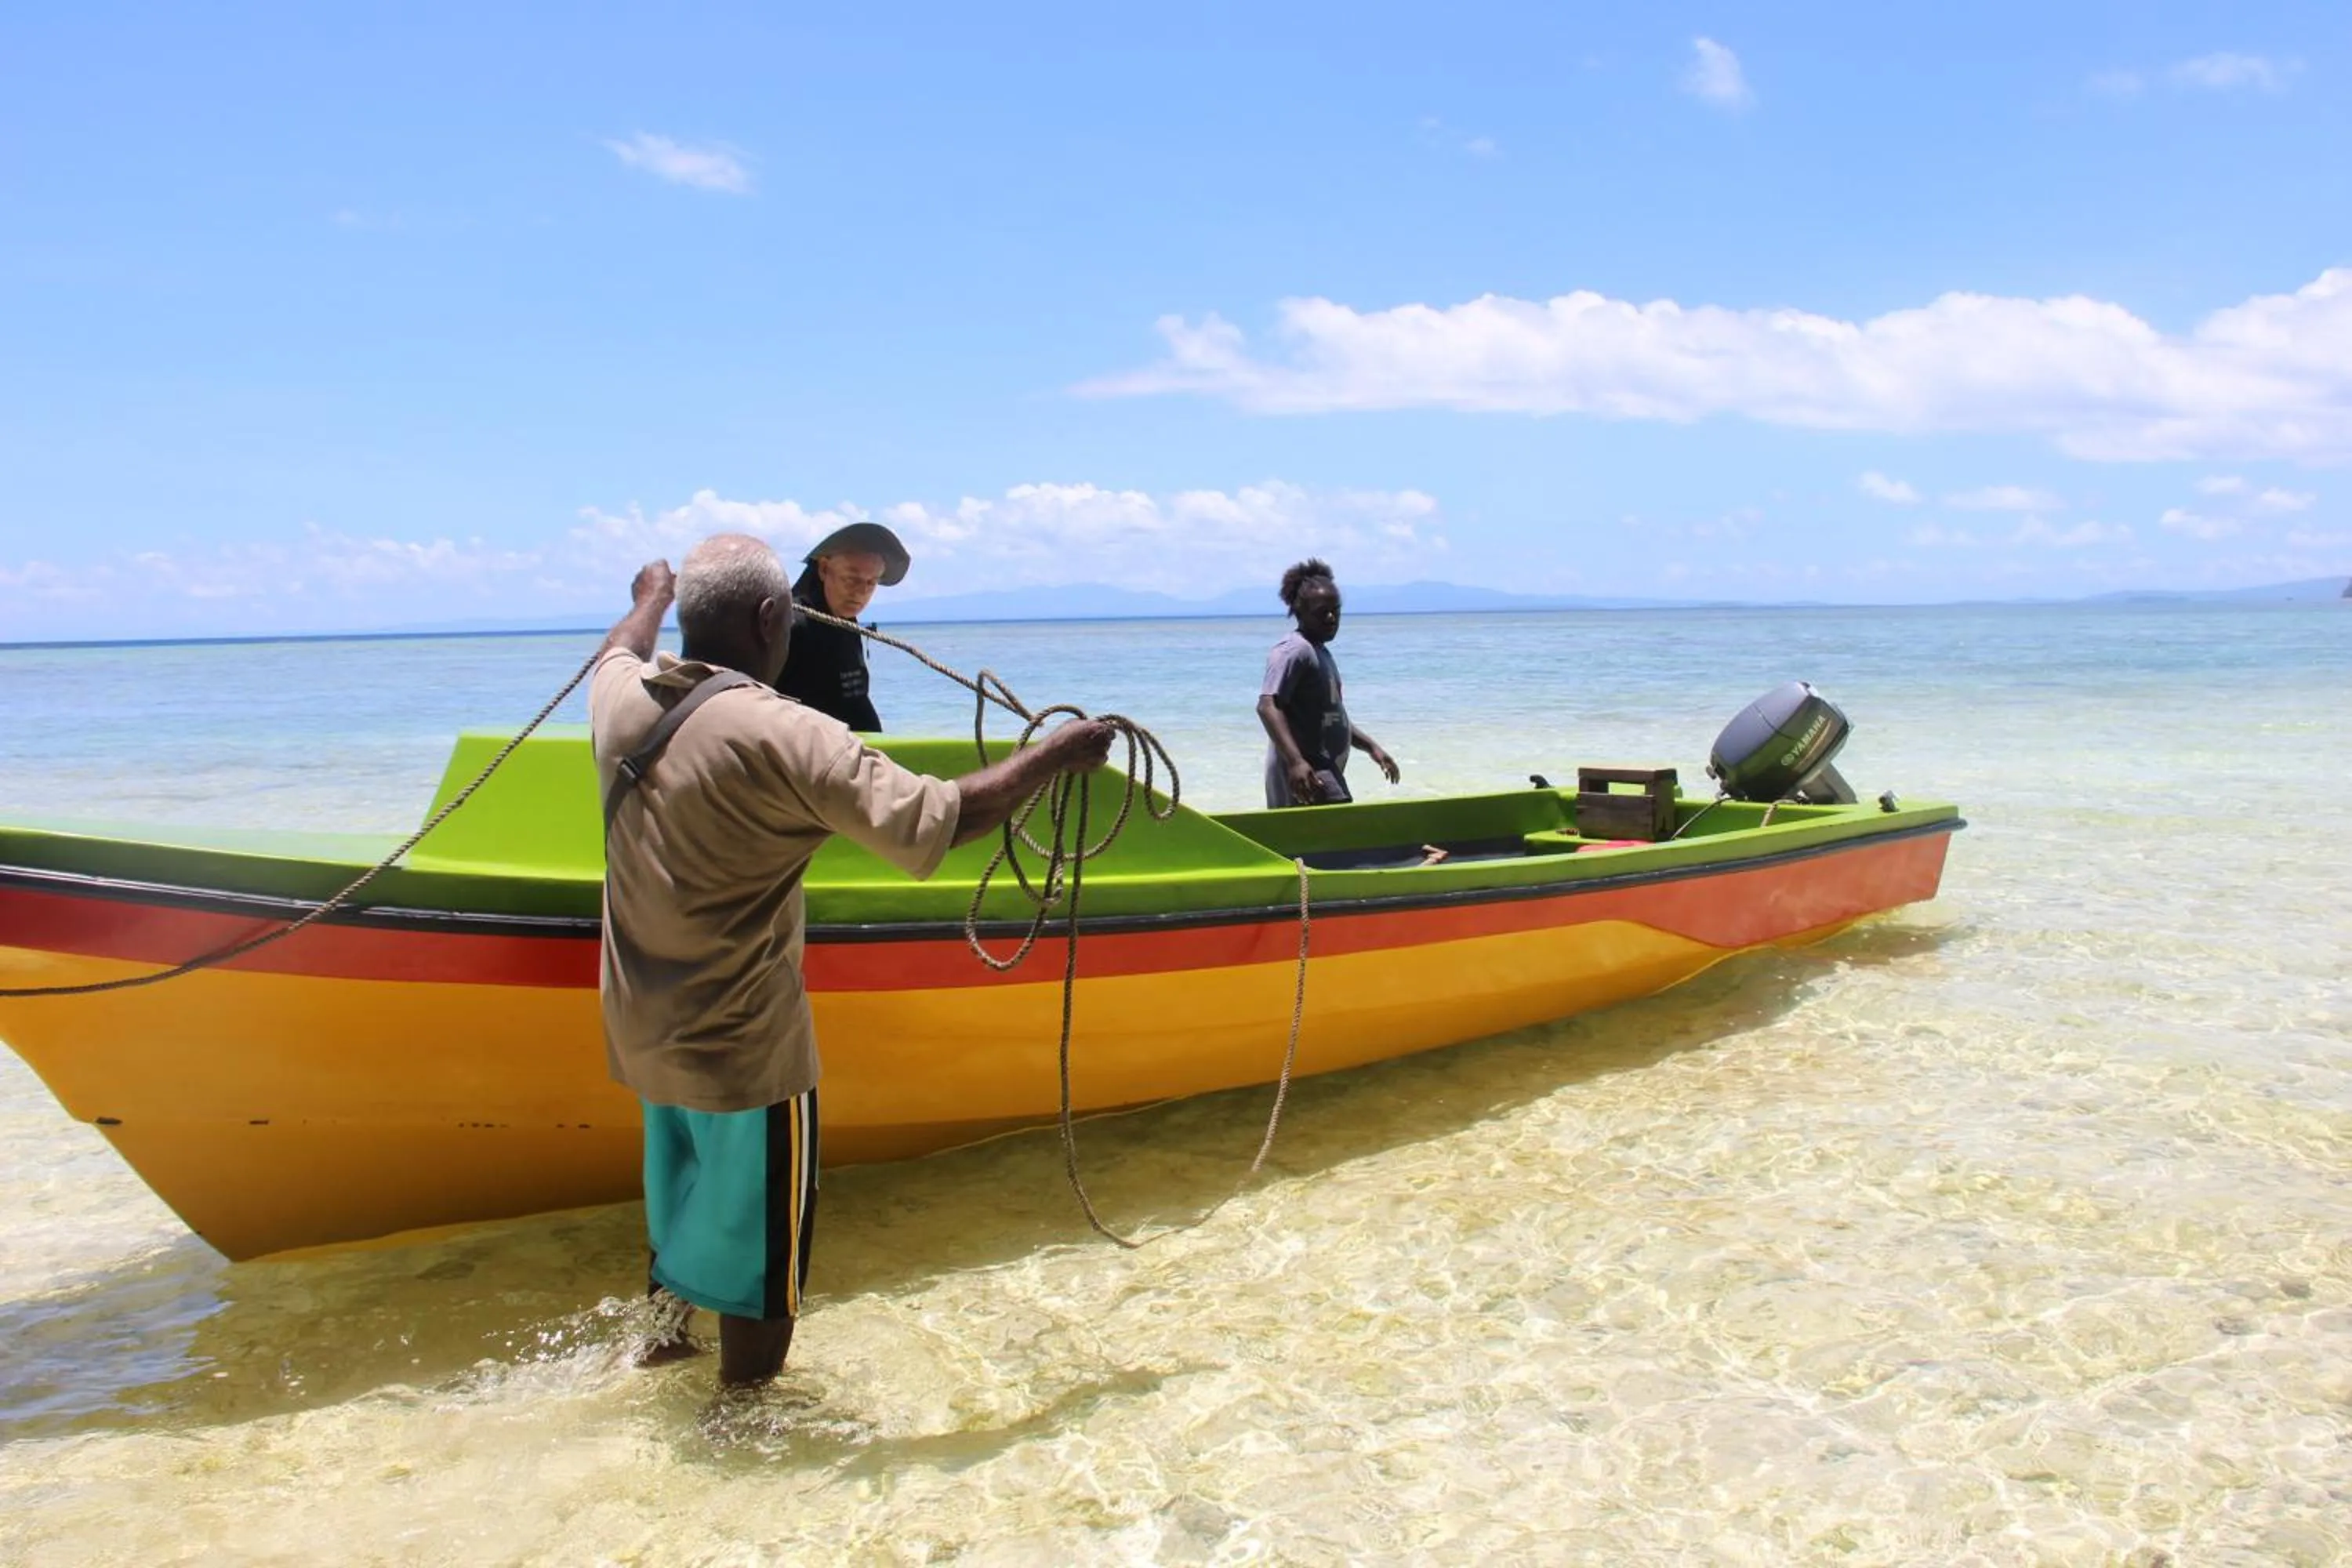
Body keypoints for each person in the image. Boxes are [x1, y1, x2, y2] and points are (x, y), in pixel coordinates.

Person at [590, 534, 1113, 1390]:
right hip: (746, 1049)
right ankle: (743, 1422)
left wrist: (650, 593)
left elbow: (619, 646)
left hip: (643, 1032)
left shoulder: (620, 701)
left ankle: (655, 1351)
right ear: (773, 617)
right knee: (766, 1255)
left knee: (682, 1200)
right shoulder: (788, 732)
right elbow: (942, 817)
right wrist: (1058, 753)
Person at [1256, 557, 1399, 808]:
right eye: (1322, 612)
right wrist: (1296, 762)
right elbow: (1268, 706)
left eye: (1336, 610)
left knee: (1330, 836)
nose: (1332, 618)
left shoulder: (1319, 652)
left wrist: (1372, 748)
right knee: (1336, 831)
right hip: (1309, 771)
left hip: (1325, 767)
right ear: (1300, 612)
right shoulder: (1293, 651)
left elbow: (1331, 717)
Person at [772, 521, 910, 730]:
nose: (861, 591)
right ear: (824, 569)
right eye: (851, 579)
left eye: (871, 582)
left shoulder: (846, 624)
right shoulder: (790, 624)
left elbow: (854, 701)